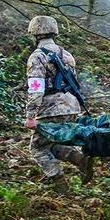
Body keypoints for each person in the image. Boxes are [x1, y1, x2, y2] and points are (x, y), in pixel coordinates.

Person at [25, 16, 94, 193]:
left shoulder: (37, 57)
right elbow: (74, 83)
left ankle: (59, 184)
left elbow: (36, 88)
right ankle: (79, 159)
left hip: (50, 109)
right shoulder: (67, 55)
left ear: (34, 33)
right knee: (50, 144)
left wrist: (31, 115)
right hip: (71, 106)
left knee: (38, 147)